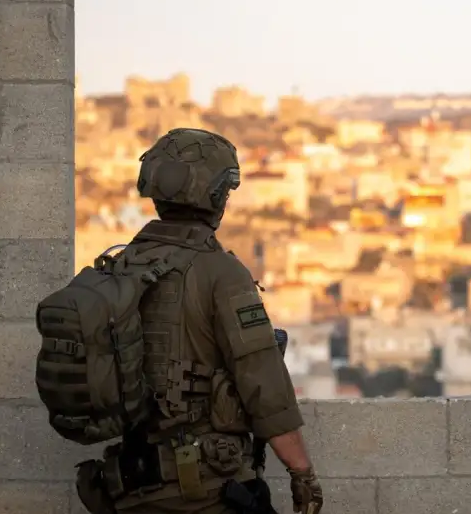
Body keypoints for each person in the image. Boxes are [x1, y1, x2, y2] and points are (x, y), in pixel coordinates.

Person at [74, 128, 323, 514]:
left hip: (127, 486)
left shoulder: (120, 265)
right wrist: (302, 472)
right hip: (203, 490)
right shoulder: (219, 272)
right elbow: (263, 381)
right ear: (216, 196)